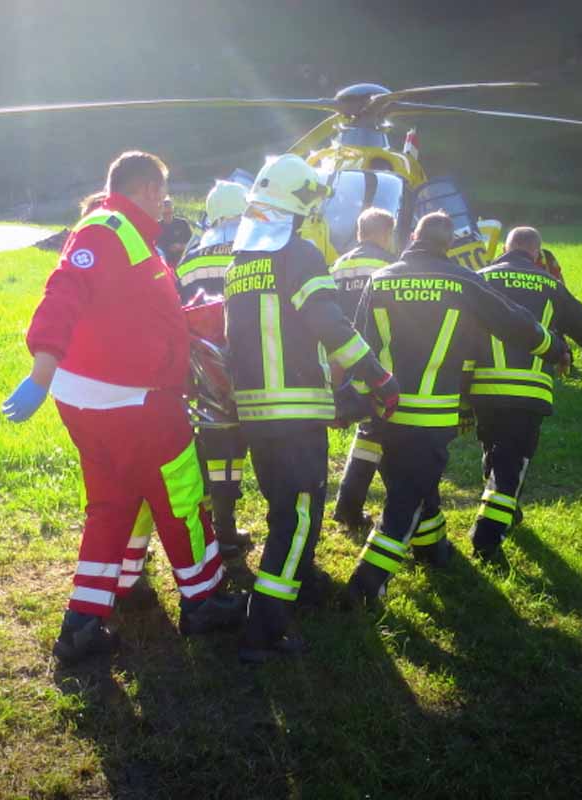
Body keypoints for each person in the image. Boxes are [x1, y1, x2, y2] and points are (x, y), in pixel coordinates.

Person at [2, 151, 245, 665]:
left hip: (98, 403)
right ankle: (204, 600)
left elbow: (127, 305)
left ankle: (83, 623)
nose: (166, 205)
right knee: (181, 496)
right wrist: (39, 374)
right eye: (163, 194)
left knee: (110, 506)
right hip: (136, 403)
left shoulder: (130, 236)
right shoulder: (107, 229)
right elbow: (62, 294)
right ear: (150, 189)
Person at [224, 154, 399, 663]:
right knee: (298, 517)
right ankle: (265, 629)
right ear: (299, 206)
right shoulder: (298, 254)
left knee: (284, 508)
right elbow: (329, 323)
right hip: (295, 412)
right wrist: (377, 376)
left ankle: (297, 584)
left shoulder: (240, 263)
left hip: (255, 413)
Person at [345, 212, 570, 605]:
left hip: (385, 410)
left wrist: (356, 401)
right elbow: (513, 321)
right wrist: (554, 347)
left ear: (412, 237)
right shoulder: (463, 281)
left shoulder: (380, 279)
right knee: (405, 500)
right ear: (448, 245)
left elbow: (360, 344)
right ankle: (365, 584)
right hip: (431, 415)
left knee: (412, 482)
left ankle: (433, 550)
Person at [465, 226, 582, 559]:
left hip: (484, 387)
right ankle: (487, 535)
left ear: (505, 248)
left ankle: (507, 510)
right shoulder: (550, 284)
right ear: (537, 253)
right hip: (528, 390)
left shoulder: (478, 279)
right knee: (512, 464)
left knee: (494, 448)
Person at [174, 180, 253, 559]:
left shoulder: (190, 259)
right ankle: (226, 527)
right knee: (235, 448)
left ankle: (210, 527)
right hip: (249, 365)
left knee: (210, 446)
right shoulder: (252, 251)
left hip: (202, 371)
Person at [329, 208, 396, 533]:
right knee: (385, 432)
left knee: (372, 432)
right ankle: (409, 509)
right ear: (385, 233)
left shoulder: (337, 267)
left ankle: (348, 507)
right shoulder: (391, 267)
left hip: (341, 365)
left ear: (359, 232)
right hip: (377, 365)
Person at [157, 197, 193, 267]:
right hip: (165, 263)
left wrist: (181, 247)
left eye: (170, 213)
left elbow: (193, 244)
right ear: (161, 212)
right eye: (165, 214)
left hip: (182, 260)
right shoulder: (157, 226)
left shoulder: (183, 223)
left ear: (173, 211)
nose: (168, 216)